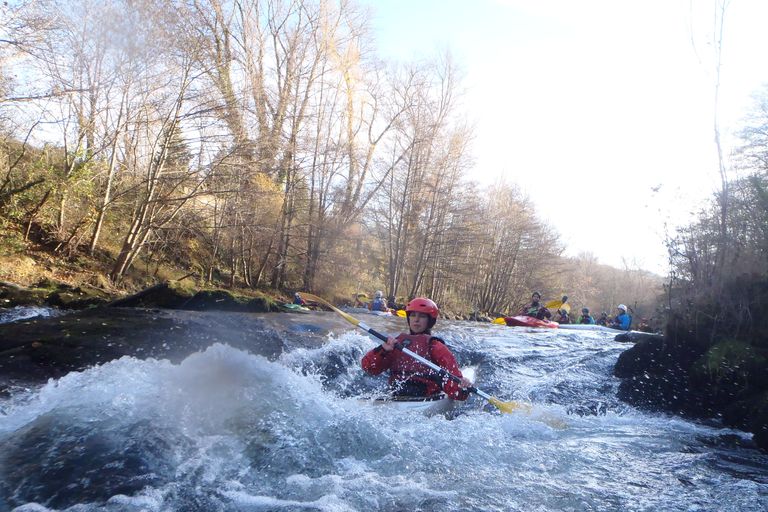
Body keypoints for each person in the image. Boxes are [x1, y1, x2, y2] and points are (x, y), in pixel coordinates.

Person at [361, 298, 471, 399]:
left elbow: (457, 393)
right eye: (413, 315)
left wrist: (462, 387)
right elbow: (369, 368)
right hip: (396, 397)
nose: (416, 320)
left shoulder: (436, 347)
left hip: (426, 398)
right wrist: (383, 349)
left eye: (422, 316)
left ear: (430, 321)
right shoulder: (396, 344)